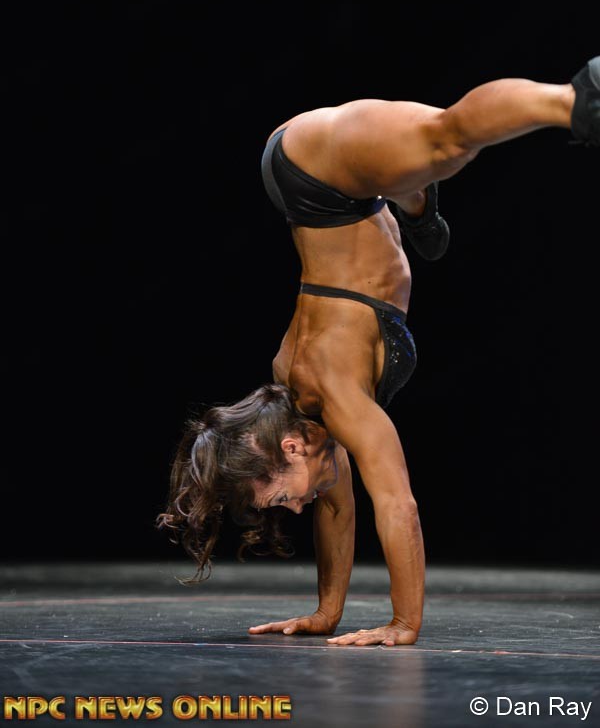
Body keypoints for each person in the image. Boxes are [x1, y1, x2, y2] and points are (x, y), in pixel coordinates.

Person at [158, 56, 600, 647]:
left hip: (315, 171)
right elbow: (338, 510)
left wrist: (404, 623)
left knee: (448, 139)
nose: (295, 508)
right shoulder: (306, 416)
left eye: (283, 496)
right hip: (337, 193)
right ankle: (414, 203)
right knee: (430, 162)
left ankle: (581, 98)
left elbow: (398, 504)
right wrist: (327, 613)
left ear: (289, 448)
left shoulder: (333, 395)